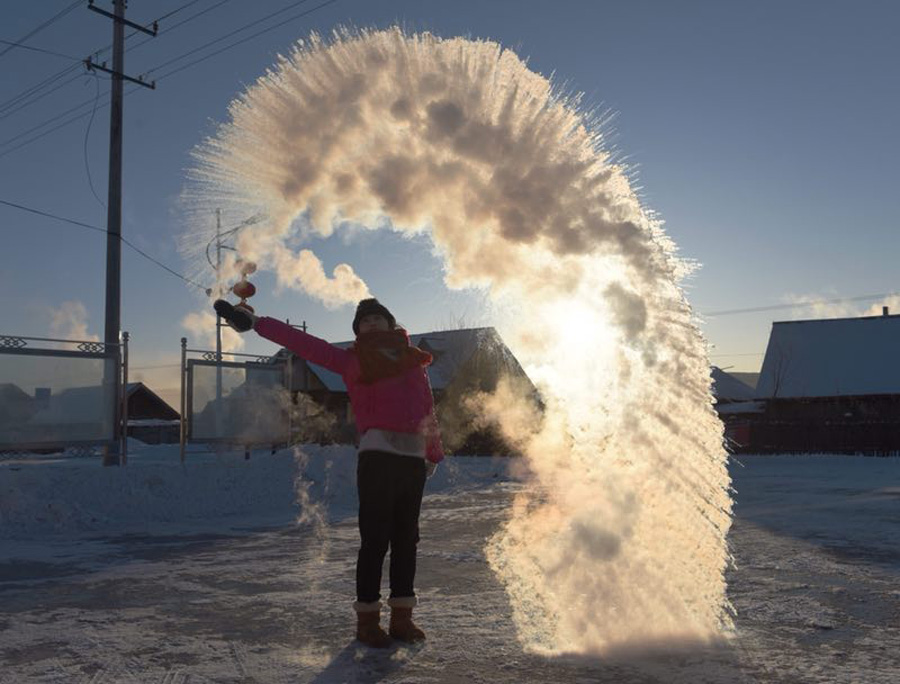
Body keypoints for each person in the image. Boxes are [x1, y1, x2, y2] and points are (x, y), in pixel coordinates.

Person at [214, 297, 444, 648]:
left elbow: (427, 407)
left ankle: (402, 619)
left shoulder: (415, 363)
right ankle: (367, 622)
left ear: (390, 322)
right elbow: (307, 345)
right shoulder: (352, 361)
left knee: (407, 541)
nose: (369, 324)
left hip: (412, 461)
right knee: (375, 540)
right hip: (378, 457)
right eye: (363, 321)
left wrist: (432, 453)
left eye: (376, 318)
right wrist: (258, 322)